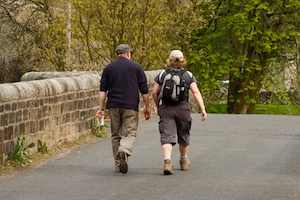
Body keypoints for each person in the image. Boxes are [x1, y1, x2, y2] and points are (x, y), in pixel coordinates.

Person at [96, 44, 151, 174]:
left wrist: (100, 108)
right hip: (130, 105)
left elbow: (103, 91)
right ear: (128, 54)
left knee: (116, 135)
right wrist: (147, 107)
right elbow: (144, 90)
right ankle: (124, 150)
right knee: (130, 132)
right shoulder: (136, 67)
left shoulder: (108, 68)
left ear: (117, 54)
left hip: (113, 105)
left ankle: (118, 164)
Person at [152, 50, 207, 175]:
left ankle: (167, 161)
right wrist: (203, 109)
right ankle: (183, 160)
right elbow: (196, 92)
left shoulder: (162, 74)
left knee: (167, 135)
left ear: (169, 60)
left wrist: (158, 106)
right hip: (183, 108)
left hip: (166, 108)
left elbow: (154, 92)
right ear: (182, 60)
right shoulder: (188, 75)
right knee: (183, 133)